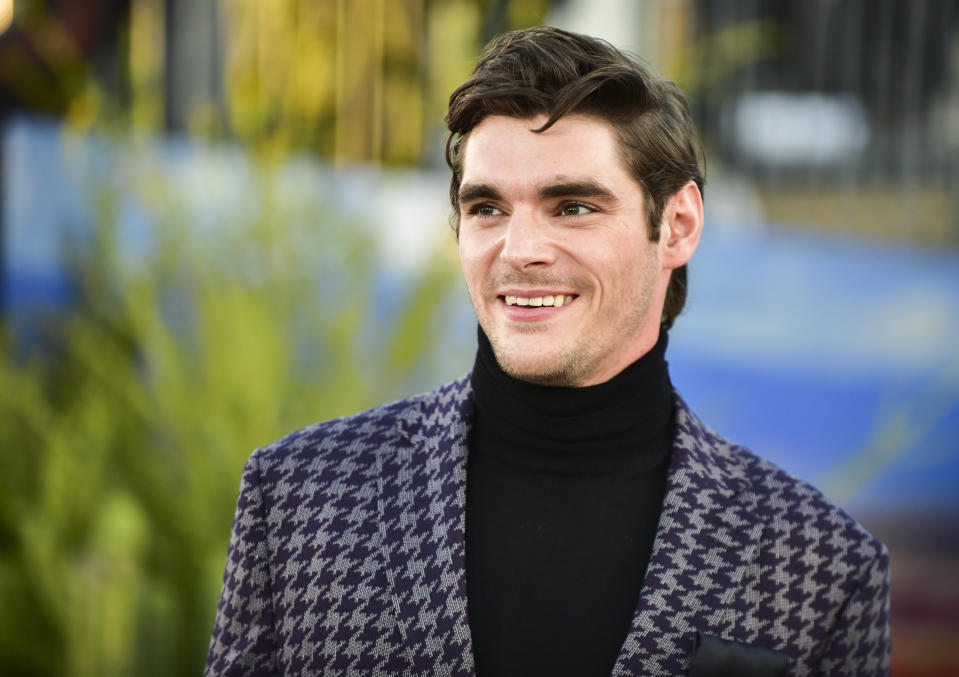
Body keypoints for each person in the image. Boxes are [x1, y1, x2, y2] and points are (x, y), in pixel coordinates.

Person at [205, 26, 890, 677]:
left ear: (676, 225)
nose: (520, 248)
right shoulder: (299, 497)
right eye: (487, 208)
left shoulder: (821, 563)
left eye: (571, 206)